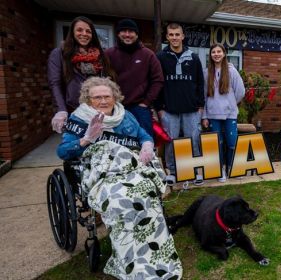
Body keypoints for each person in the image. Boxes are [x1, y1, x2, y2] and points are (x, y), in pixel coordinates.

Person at [57, 77, 182, 279]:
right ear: (88, 100)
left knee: (146, 193)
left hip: (131, 169)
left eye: (107, 96)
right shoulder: (79, 120)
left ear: (115, 97)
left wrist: (147, 145)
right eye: (97, 97)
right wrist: (86, 139)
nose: (103, 101)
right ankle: (130, 261)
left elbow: (144, 136)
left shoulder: (126, 116)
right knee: (119, 201)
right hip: (103, 173)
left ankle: (156, 255)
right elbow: (62, 152)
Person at [155, 23, 205, 187]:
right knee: (171, 142)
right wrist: (160, 108)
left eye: (177, 34)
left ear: (183, 36)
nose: (174, 37)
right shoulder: (161, 57)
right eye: (171, 34)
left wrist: (200, 106)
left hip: (191, 109)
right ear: (167, 37)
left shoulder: (194, 57)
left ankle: (196, 170)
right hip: (169, 110)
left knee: (194, 140)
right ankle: (173, 172)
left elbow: (199, 83)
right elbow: (157, 83)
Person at [47, 16, 115, 133]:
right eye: (79, 30)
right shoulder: (60, 54)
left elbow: (108, 81)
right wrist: (61, 110)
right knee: (77, 146)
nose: (84, 34)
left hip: (98, 110)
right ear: (72, 32)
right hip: (73, 110)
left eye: (88, 31)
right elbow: (55, 83)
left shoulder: (101, 55)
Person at [105, 18, 163, 137]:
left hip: (140, 108)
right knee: (116, 143)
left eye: (131, 31)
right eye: (123, 31)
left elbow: (158, 80)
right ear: (118, 33)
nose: (127, 34)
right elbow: (102, 80)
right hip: (115, 108)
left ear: (136, 34)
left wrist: (146, 102)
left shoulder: (148, 54)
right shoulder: (108, 54)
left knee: (145, 143)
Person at [201, 43, 245, 182]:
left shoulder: (232, 71)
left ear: (224, 53)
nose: (216, 54)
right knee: (217, 144)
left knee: (232, 143)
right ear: (211, 55)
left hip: (229, 114)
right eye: (213, 52)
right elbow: (203, 96)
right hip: (213, 115)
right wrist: (204, 116)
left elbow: (240, 92)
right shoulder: (206, 72)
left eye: (219, 51)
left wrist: (231, 103)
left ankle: (231, 166)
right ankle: (220, 170)